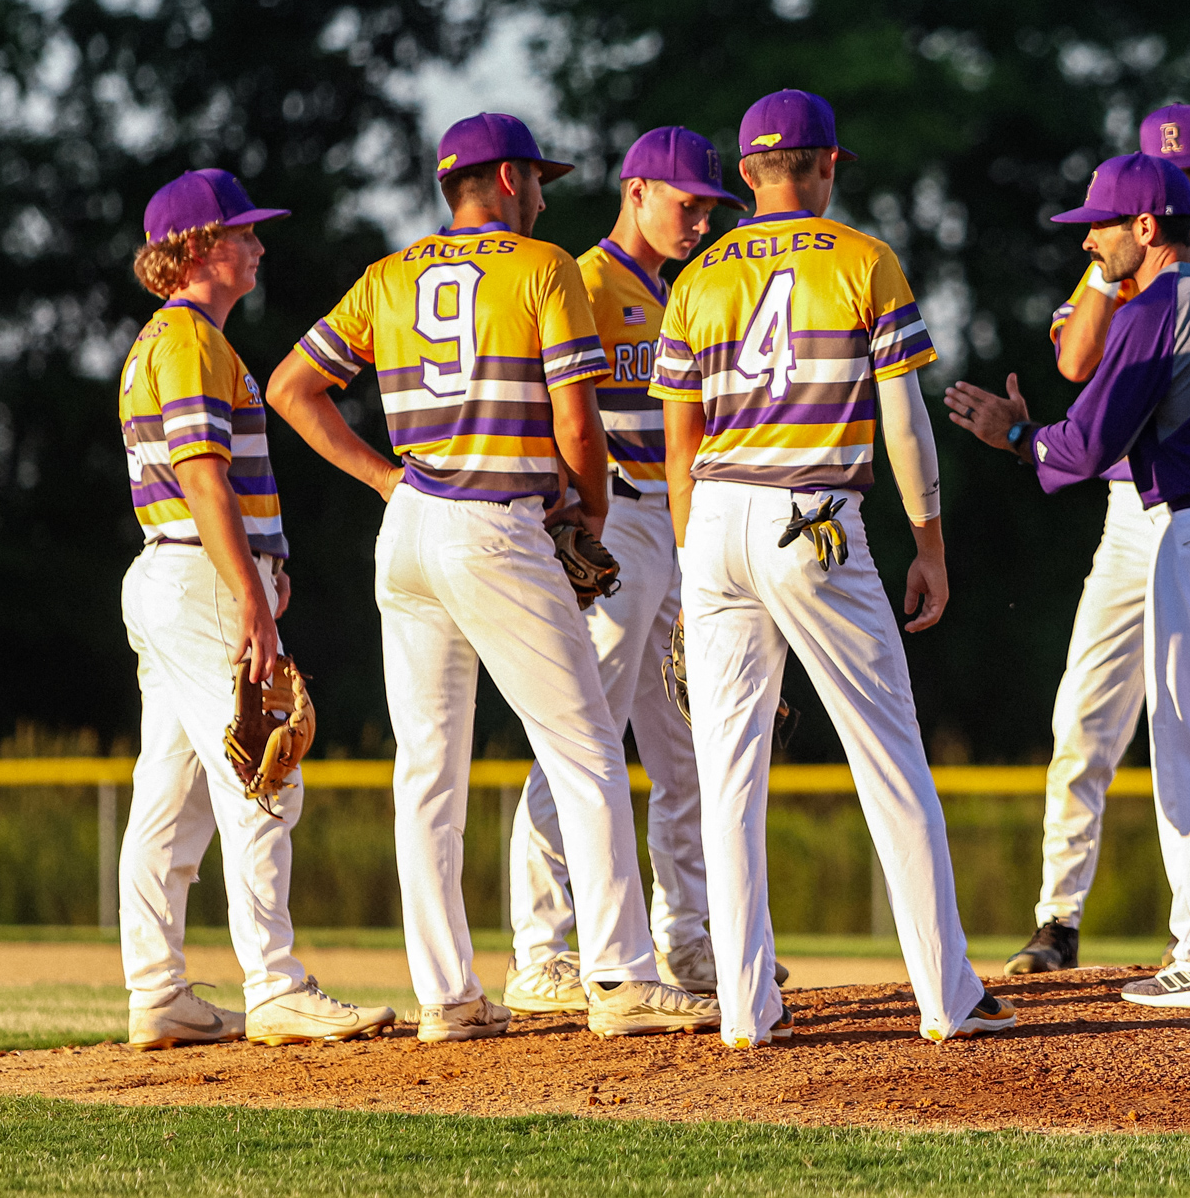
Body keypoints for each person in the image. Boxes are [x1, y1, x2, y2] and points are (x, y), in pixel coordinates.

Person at [264, 112, 718, 1043]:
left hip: (410, 527)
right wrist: (590, 515)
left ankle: (448, 998)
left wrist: (384, 476)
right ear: (507, 180)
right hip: (496, 525)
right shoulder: (540, 263)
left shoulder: (389, 276)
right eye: (538, 178)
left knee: (427, 774)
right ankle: (622, 977)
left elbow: (290, 388)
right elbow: (581, 427)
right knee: (588, 748)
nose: (546, 194)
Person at [651, 88, 1014, 1047]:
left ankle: (743, 1011)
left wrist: (691, 565)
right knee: (889, 756)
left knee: (729, 774)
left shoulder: (699, 272)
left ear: (745, 175)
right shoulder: (863, 259)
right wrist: (929, 539)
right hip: (812, 516)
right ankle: (948, 996)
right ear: (830, 164)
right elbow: (903, 419)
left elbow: (677, 435)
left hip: (717, 516)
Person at [945, 152, 1190, 1010]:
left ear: (1147, 228)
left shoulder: (1154, 307)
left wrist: (1018, 438)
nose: (1091, 240)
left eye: (1101, 225)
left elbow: (1086, 447)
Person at [500, 126, 788, 1013]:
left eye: (711, 206)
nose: (701, 218)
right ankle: (543, 951)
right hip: (612, 518)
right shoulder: (582, 283)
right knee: (582, 734)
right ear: (636, 190)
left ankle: (690, 938)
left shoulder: (685, 291)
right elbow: (547, 414)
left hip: (680, 522)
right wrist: (568, 518)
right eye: (686, 201)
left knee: (689, 746)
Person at [117, 169, 393, 1049]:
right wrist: (251, 592)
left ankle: (159, 992)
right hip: (200, 577)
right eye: (243, 232)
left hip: (173, 575)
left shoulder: (165, 341)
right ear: (196, 248)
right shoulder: (192, 341)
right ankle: (275, 983)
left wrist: (256, 572)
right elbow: (201, 475)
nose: (260, 245)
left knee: (172, 797)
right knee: (265, 771)